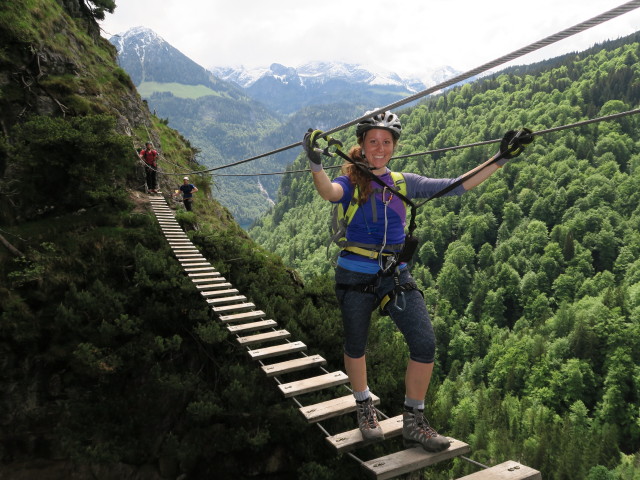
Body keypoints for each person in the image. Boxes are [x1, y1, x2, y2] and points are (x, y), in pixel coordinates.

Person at [302, 110, 531, 451]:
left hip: (395, 274)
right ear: (362, 146)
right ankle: (364, 407)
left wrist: (500, 159)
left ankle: (414, 420)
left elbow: (454, 186)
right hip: (354, 271)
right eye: (373, 141)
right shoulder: (351, 181)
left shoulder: (404, 182)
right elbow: (330, 193)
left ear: (394, 146)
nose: (379, 148)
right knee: (356, 343)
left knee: (424, 344)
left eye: (386, 142)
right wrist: (316, 165)